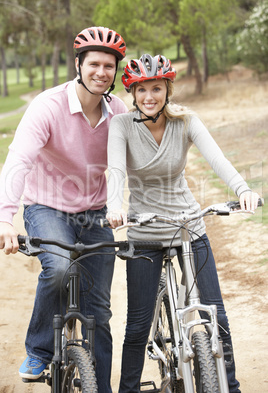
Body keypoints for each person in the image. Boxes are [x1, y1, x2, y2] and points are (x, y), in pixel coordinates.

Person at [106, 54, 260, 393]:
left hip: (188, 226)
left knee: (216, 316)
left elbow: (217, 158)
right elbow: (116, 170)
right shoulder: (121, 126)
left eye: (156, 88)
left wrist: (243, 188)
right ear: (132, 92)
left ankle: (229, 387)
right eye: (142, 89)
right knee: (137, 327)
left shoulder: (186, 120)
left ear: (167, 89)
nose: (149, 96)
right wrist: (114, 207)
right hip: (145, 232)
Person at [0, 26, 127, 392]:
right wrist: (6, 217)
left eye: (109, 65)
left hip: (94, 212)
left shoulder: (117, 111)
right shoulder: (48, 106)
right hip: (48, 208)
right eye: (94, 64)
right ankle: (39, 349)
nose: (101, 72)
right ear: (78, 64)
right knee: (56, 267)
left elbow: (127, 163)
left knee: (99, 313)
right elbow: (19, 160)